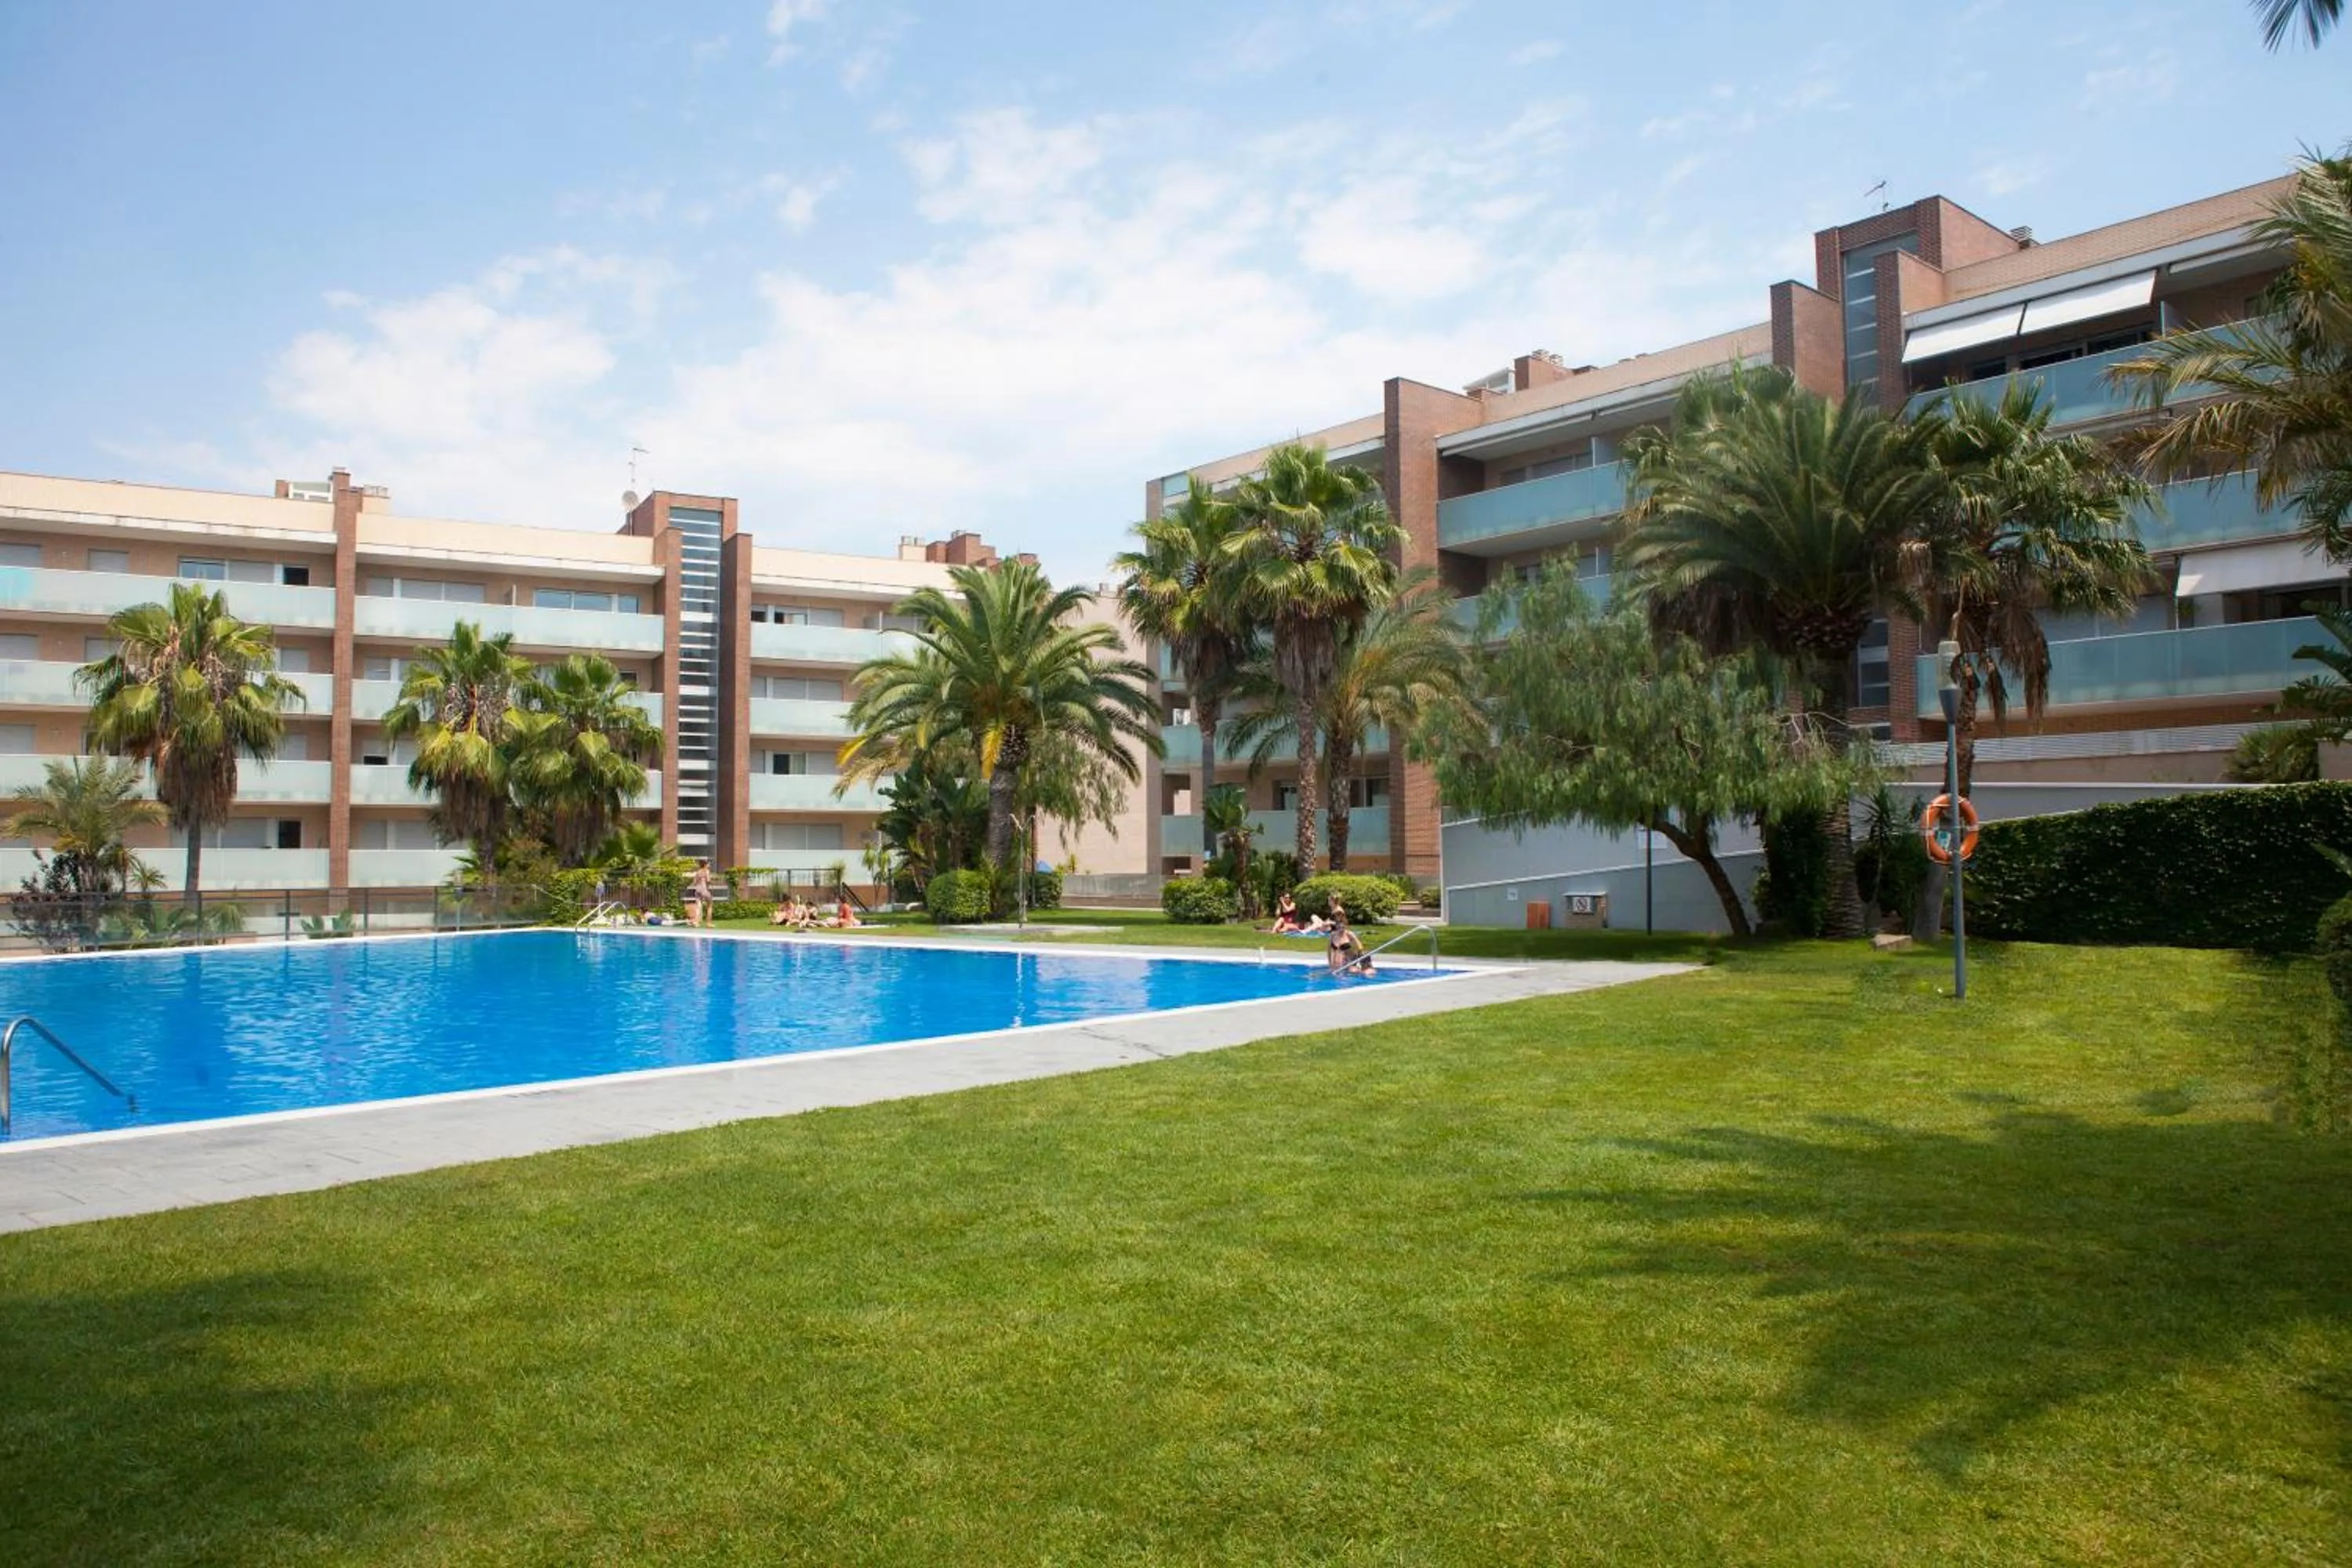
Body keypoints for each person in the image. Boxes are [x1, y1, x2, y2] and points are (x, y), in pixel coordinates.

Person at [1327, 911, 1373, 976]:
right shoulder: (1333, 935)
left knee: (1351, 973)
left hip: (1349, 962)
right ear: (1336, 926)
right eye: (1339, 927)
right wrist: (1330, 964)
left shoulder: (1349, 934)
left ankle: (1365, 970)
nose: (1341, 929)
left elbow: (1359, 945)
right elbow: (1329, 950)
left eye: (1343, 927)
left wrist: (1362, 958)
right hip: (1336, 963)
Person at [684, 859, 713, 928]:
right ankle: (708, 923)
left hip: (698, 890)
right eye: (709, 864)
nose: (709, 865)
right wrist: (711, 884)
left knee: (699, 907)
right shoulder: (707, 871)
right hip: (704, 890)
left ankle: (696, 922)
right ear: (705, 865)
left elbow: (694, 882)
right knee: (710, 906)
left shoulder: (698, 872)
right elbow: (708, 881)